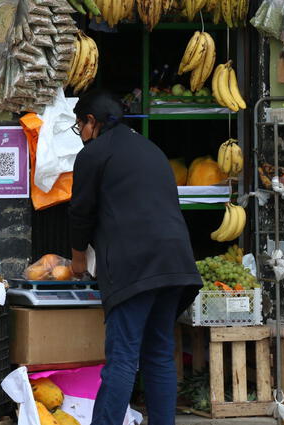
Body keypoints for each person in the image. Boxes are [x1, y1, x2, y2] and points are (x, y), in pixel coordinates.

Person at [68, 90, 202, 425]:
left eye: (79, 125)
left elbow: (80, 213)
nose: (80, 134)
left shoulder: (94, 154)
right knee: (157, 354)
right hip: (175, 264)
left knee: (123, 357)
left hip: (135, 267)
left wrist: (77, 261)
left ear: (91, 122)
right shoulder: (151, 149)